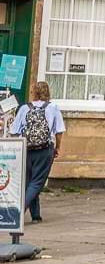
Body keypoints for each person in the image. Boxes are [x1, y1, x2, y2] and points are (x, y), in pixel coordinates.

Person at [11, 81, 65, 222]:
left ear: (34, 92)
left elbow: (14, 132)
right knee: (37, 182)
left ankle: (36, 215)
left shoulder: (24, 108)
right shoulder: (53, 108)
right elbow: (59, 131)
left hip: (26, 149)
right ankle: (18, 212)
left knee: (29, 182)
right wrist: (57, 147)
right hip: (45, 149)